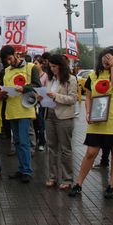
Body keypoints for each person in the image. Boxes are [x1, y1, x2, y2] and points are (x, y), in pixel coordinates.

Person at [69, 49, 113, 199]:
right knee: (91, 152)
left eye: (109, 58)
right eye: (104, 57)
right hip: (97, 120)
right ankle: (78, 184)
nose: (105, 60)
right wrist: (88, 113)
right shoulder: (93, 76)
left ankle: (112, 186)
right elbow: (89, 97)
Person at [0, 45, 41, 184]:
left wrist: (24, 88)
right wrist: (2, 93)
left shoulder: (30, 67)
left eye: (10, 58)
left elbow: (37, 85)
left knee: (24, 141)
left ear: (16, 54)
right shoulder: (6, 71)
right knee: (17, 142)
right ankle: (21, 168)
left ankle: (27, 171)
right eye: (6, 60)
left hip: (24, 109)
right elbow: (2, 88)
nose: (9, 62)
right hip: (11, 110)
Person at [41, 54, 77, 190]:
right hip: (49, 114)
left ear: (61, 66)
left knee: (65, 149)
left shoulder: (71, 79)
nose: (52, 69)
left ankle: (67, 178)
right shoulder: (50, 80)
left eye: (55, 66)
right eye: (50, 67)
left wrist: (56, 96)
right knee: (51, 148)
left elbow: (72, 99)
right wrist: (41, 97)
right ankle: (52, 177)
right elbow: (47, 95)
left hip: (64, 117)